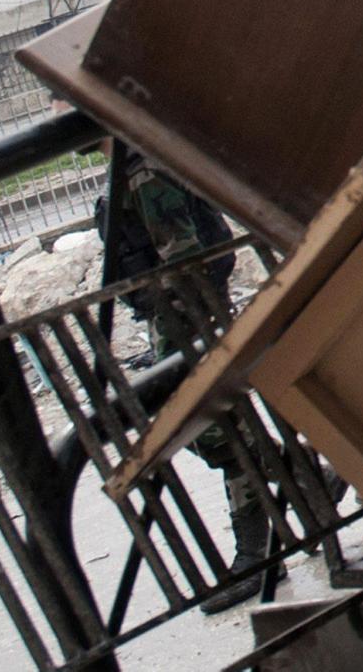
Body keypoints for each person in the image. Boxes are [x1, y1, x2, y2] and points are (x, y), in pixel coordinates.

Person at [99, 158, 273, 608]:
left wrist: (182, 314)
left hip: (187, 314)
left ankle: (257, 553)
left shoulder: (141, 168)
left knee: (214, 430)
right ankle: (305, 480)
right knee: (214, 430)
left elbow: (183, 251)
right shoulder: (126, 167)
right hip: (176, 316)